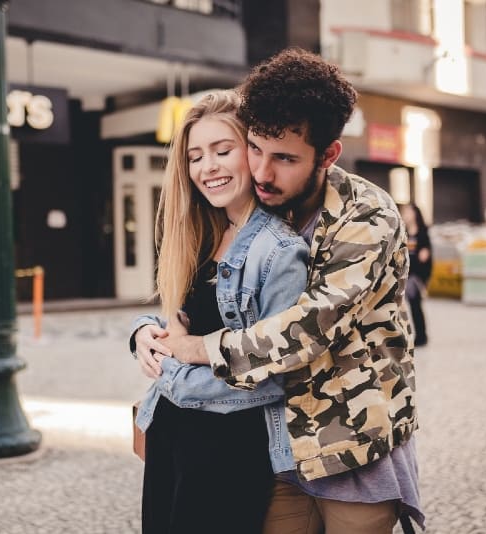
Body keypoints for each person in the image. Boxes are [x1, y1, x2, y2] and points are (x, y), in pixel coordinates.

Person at [136, 48, 424, 533]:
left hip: (350, 443)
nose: (264, 173)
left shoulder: (367, 217)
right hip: (281, 445)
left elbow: (308, 328)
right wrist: (148, 329)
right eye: (255, 149)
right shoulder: (264, 205)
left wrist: (189, 352)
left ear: (328, 154)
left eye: (285, 158)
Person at [129, 90, 309, 533]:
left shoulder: (280, 251)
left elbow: (274, 371)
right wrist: (142, 334)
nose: (207, 167)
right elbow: (186, 323)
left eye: (222, 150)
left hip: (227, 448)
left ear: (252, 153)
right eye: (195, 157)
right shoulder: (205, 233)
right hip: (171, 433)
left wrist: (173, 374)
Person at [399, 202, 432, 347]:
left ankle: (421, 336)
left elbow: (424, 257)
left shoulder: (422, 233)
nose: (405, 214)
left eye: (408, 212)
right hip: (404, 275)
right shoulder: (402, 232)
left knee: (416, 306)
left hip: (416, 276)